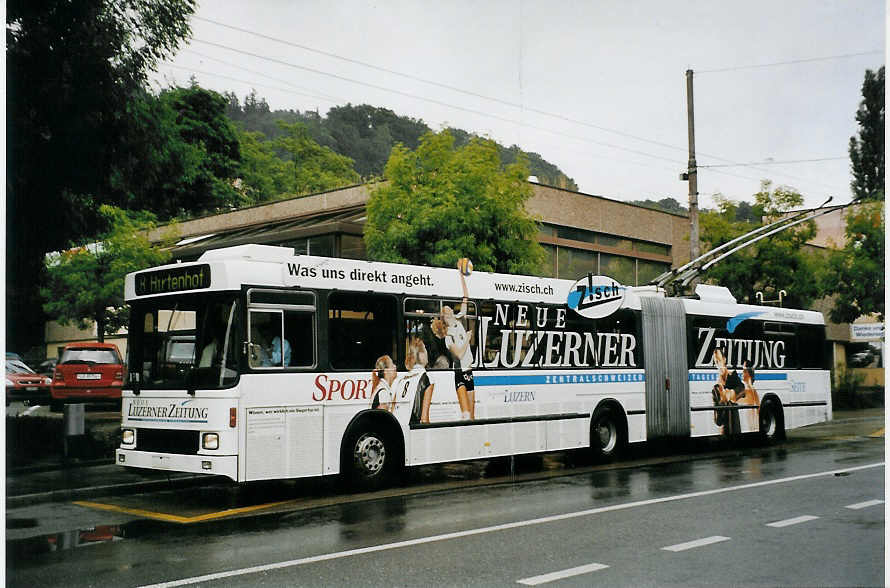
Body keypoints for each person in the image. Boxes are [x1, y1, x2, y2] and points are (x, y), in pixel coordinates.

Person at [431, 266, 475, 420]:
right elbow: (459, 354)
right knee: (466, 414)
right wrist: (468, 339)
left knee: (472, 416)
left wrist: (461, 276)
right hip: (460, 373)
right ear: (444, 316)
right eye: (447, 309)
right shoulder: (448, 337)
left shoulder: (459, 319)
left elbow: (465, 298)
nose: (449, 309)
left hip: (468, 370)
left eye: (449, 308)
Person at [406, 336, 434, 424]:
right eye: (425, 349)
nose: (427, 353)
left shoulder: (406, 377)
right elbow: (424, 418)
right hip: (416, 426)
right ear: (421, 355)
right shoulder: (424, 378)